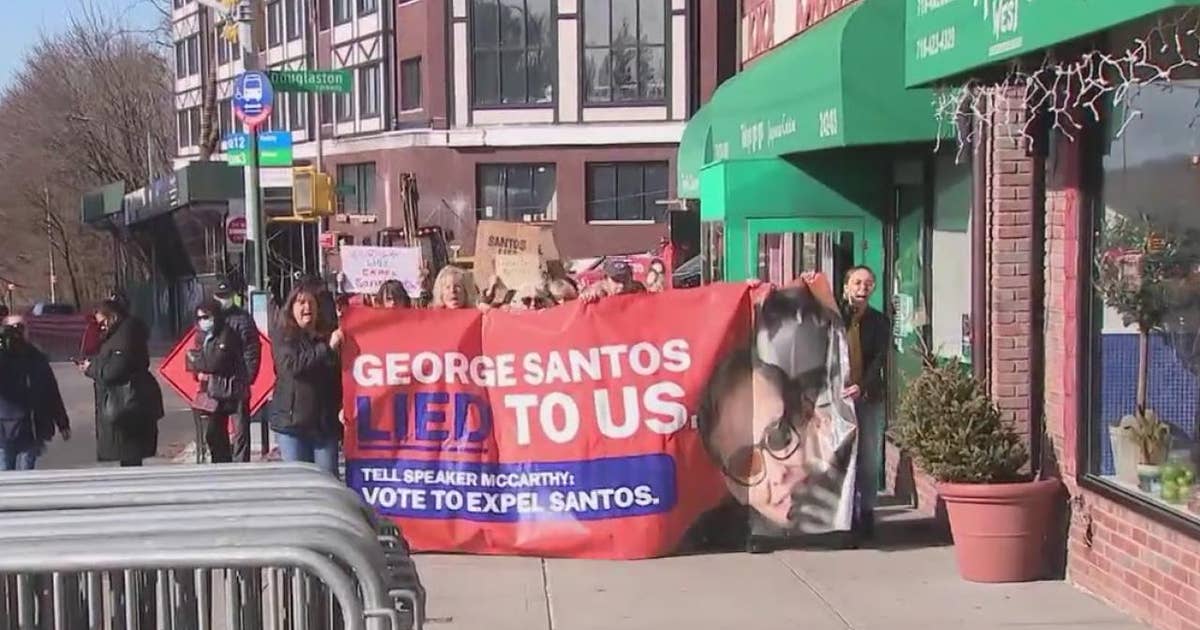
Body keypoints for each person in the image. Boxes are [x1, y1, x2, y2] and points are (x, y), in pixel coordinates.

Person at [269, 284, 343, 476]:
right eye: (301, 303)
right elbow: (291, 366)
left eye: (311, 303)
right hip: (293, 426)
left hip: (324, 426)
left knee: (328, 483)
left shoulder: (328, 334)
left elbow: (338, 376)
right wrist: (326, 348)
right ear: (291, 307)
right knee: (300, 484)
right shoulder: (283, 335)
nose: (307, 308)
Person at [81, 298, 163, 467]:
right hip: (128, 401)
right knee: (130, 456)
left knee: (130, 454)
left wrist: (91, 369)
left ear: (113, 317)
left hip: (126, 402)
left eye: (103, 322)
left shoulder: (125, 335)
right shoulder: (121, 334)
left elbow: (115, 370)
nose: (102, 327)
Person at [840, 266, 890, 540]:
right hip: (837, 401)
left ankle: (866, 513)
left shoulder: (880, 322)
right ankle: (842, 515)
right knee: (841, 457)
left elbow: (880, 360)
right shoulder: (835, 317)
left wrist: (863, 385)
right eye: (857, 283)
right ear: (846, 286)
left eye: (868, 283)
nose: (862, 288)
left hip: (867, 398)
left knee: (869, 458)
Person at [0, 316, 69, 470]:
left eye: (21, 327)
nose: (17, 333)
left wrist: (62, 422)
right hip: (3, 428)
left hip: (31, 426)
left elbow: (50, 390)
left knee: (26, 475)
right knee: (4, 474)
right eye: (12, 329)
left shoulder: (36, 357)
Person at [185, 299, 245, 464]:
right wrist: (198, 367)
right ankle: (220, 462)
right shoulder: (203, 336)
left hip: (227, 391)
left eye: (206, 317)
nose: (203, 321)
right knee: (213, 435)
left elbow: (215, 362)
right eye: (200, 318)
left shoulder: (226, 334)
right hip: (211, 392)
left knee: (225, 433)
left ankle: (226, 463)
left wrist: (198, 362)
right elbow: (192, 361)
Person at [214, 278, 261, 463]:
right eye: (219, 296)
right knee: (216, 431)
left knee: (241, 431)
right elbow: (200, 347)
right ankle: (220, 464)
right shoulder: (209, 318)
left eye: (226, 296)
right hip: (215, 385)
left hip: (237, 383)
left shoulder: (243, 319)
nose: (223, 300)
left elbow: (252, 349)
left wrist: (248, 376)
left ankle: (241, 465)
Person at [580, 260, 646, 303]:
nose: (621, 285)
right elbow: (588, 293)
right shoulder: (599, 291)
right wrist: (587, 296)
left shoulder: (637, 288)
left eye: (625, 280)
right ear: (606, 279)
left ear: (631, 278)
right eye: (617, 280)